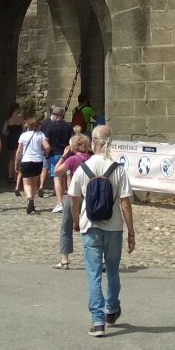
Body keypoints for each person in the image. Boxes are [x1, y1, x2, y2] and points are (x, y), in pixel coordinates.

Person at [67, 123, 134, 337]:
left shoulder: (83, 168)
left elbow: (73, 198)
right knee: (112, 271)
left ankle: (97, 321)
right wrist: (131, 231)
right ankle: (111, 309)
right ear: (110, 143)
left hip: (90, 226)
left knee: (93, 273)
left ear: (93, 142)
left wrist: (76, 221)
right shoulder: (118, 169)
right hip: (114, 227)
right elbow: (125, 203)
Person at [53, 135, 91, 271]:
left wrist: (64, 156)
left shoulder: (72, 159)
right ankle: (94, 258)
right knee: (91, 228)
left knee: (66, 228)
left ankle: (64, 260)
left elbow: (56, 171)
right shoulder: (91, 159)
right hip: (88, 197)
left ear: (73, 146)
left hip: (73, 196)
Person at [40, 106, 73, 211]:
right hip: (66, 155)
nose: (53, 116)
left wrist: (47, 152)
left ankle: (59, 203)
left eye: (54, 114)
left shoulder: (50, 127)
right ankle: (65, 201)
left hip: (54, 155)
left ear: (56, 115)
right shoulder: (69, 126)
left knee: (57, 178)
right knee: (64, 178)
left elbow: (46, 141)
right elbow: (72, 141)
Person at [15, 116, 46, 215]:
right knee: (34, 183)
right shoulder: (41, 135)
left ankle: (29, 199)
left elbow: (19, 150)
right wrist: (45, 152)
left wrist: (16, 161)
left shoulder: (23, 135)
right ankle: (32, 203)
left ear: (27, 125)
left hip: (26, 160)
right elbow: (47, 146)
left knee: (27, 183)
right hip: (38, 161)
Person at [1, 104, 23, 194]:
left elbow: (3, 131)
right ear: (16, 109)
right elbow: (23, 129)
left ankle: (10, 176)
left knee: (11, 159)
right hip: (18, 140)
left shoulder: (8, 119)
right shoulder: (20, 118)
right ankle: (15, 177)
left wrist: (9, 134)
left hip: (10, 139)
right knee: (17, 158)